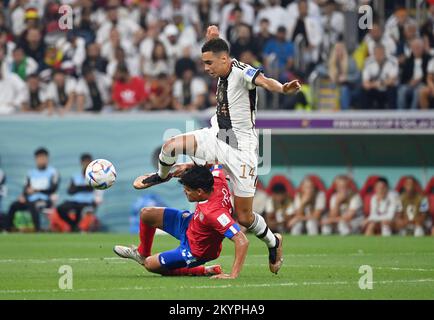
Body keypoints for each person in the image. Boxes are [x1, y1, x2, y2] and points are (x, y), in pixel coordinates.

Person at [132, 26, 301, 275]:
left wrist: (283, 88)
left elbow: (264, 81)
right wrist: (213, 37)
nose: (206, 68)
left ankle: (273, 243)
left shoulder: (242, 72)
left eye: (209, 63)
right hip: (216, 135)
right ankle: (161, 174)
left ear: (224, 59)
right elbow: (217, 48)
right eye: (204, 63)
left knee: (244, 217)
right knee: (171, 145)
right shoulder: (221, 60)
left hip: (242, 150)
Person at [114, 165, 248, 279]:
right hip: (190, 223)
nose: (185, 192)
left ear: (200, 191)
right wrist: (186, 167)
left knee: (150, 264)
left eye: (188, 190)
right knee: (146, 214)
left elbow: (242, 240)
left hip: (196, 249)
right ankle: (142, 253)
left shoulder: (215, 214)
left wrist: (233, 275)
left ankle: (203, 270)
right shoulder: (217, 178)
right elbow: (215, 163)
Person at [6, 148, 59, 232]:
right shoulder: (30, 173)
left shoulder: (52, 172)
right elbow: (26, 188)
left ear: (47, 159)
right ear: (36, 159)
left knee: (35, 206)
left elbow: (53, 188)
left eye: (43, 158)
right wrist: (23, 195)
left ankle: (37, 229)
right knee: (14, 205)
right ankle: (7, 229)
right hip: (30, 200)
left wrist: (37, 190)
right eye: (39, 158)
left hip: (44, 200)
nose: (41, 160)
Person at [57, 154, 103, 232]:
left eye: (88, 162)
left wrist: (79, 187)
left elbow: (94, 189)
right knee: (60, 208)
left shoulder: (96, 176)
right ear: (81, 163)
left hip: (88, 202)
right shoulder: (75, 176)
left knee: (84, 211)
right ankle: (73, 224)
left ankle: (78, 227)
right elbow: (70, 191)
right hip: (76, 201)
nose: (86, 165)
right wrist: (83, 187)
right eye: (85, 162)